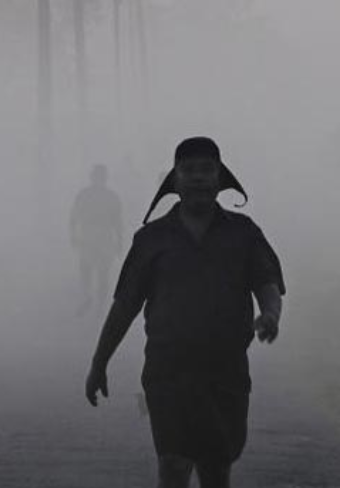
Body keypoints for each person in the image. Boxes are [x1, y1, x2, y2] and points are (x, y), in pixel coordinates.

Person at [84, 137, 285, 488]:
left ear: (220, 178)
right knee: (173, 465)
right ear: (174, 181)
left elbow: (266, 281)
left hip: (226, 372)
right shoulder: (151, 239)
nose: (198, 177)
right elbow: (125, 305)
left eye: (207, 169)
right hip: (167, 372)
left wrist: (271, 314)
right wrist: (99, 363)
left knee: (215, 469)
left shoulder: (244, 233)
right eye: (188, 170)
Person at [70, 164, 125, 315]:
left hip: (99, 237)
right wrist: (73, 234)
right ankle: (90, 297)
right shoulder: (90, 195)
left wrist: (119, 241)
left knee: (99, 272)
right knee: (90, 270)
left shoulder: (101, 196)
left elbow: (117, 222)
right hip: (92, 237)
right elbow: (74, 217)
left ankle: (96, 301)